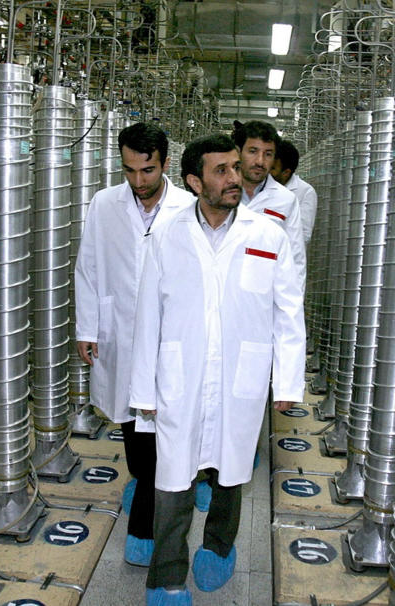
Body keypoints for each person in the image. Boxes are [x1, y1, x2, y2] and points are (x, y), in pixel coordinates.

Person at [130, 134, 306, 605]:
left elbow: (288, 310)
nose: (237, 177)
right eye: (222, 170)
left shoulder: (267, 233)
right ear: (194, 181)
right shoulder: (167, 233)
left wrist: (287, 379)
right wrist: (142, 390)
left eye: (236, 167)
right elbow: (148, 313)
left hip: (240, 376)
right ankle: (166, 577)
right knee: (173, 480)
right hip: (179, 374)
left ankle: (219, 546)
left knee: (231, 472)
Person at [74, 121, 192, 567]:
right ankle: (145, 483)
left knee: (162, 429)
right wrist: (88, 327)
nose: (138, 181)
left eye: (147, 171)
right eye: (129, 171)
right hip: (120, 332)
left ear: (164, 163)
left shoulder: (187, 206)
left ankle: (145, 524)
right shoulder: (105, 204)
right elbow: (87, 267)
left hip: (170, 338)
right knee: (130, 420)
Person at [232, 120, 306, 281]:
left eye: (268, 154)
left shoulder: (286, 200)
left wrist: (292, 304)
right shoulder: (220, 191)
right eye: (253, 151)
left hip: (265, 293)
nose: (260, 161)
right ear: (238, 152)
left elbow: (295, 259)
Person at [271, 138, 317, 247]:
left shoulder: (305, 192)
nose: (267, 172)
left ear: (286, 172)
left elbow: (303, 235)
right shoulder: (261, 186)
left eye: (273, 168)